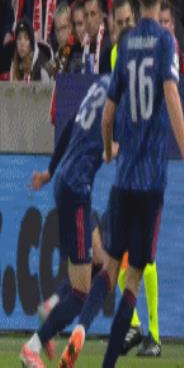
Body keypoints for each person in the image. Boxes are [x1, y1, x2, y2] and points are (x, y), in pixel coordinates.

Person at [58, 0, 184, 368]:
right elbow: (172, 95)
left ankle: (81, 330)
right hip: (152, 181)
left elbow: (108, 115)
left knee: (107, 269)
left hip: (123, 180)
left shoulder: (123, 46)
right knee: (134, 279)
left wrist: (108, 150)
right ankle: (108, 363)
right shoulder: (165, 42)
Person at [19, 73, 117, 368]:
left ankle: (50, 307)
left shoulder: (101, 85)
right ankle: (32, 347)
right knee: (80, 293)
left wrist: (50, 171)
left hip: (68, 184)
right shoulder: (122, 98)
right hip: (77, 191)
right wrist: (113, 149)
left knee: (99, 259)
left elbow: (69, 125)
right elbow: (109, 143)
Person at [109, 0, 162, 358]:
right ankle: (133, 326)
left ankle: (154, 335)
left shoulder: (154, 49)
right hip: (127, 168)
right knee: (116, 254)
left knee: (147, 257)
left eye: (129, 20)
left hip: (150, 168)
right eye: (120, 23)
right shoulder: (116, 55)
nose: (126, 27)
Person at [9, 18, 51, 82]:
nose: (22, 43)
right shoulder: (14, 64)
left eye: (26, 38)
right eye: (19, 38)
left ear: (31, 44)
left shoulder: (41, 68)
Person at [81, 0, 112, 74]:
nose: (89, 20)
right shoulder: (82, 45)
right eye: (86, 15)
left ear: (101, 16)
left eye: (93, 14)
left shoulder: (109, 45)